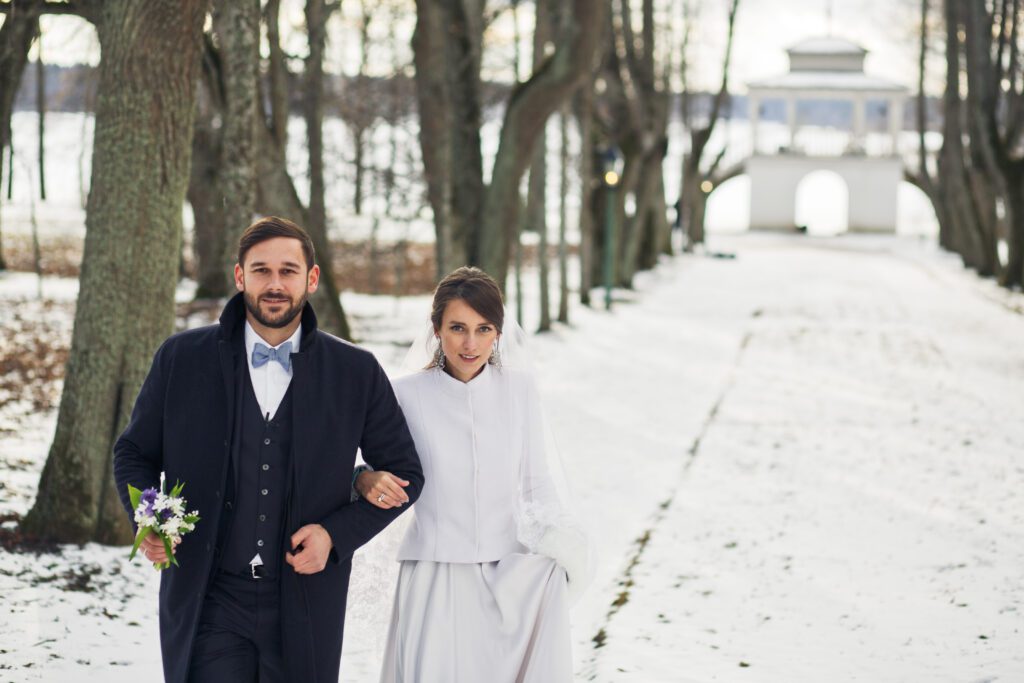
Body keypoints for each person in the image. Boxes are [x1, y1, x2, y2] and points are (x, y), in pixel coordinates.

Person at [113, 216, 423, 683]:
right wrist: (151, 518)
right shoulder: (181, 358)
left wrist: (336, 536)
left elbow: (405, 473)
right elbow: (134, 453)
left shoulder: (355, 371)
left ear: (311, 279)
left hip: (306, 602)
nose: (274, 284)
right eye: (261, 271)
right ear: (239, 277)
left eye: (288, 271)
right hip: (208, 599)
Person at [355, 266, 590, 682]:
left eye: (484, 329)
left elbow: (536, 482)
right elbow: (375, 471)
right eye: (458, 327)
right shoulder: (405, 394)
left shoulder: (519, 390)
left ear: (498, 332)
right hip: (433, 577)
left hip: (508, 579)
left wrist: (559, 549)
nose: (470, 343)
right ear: (437, 329)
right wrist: (363, 479)